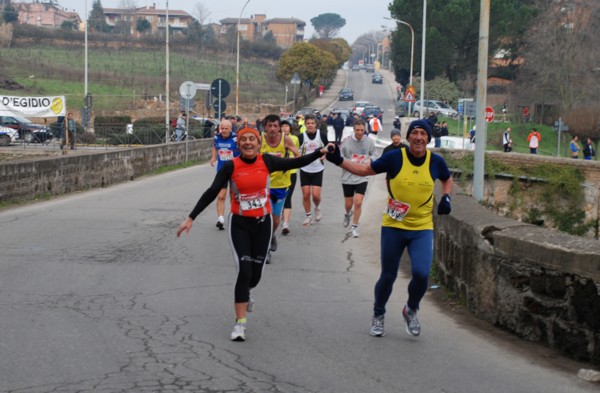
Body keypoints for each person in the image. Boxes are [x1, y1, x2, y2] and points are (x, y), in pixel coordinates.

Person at [177, 127, 332, 342]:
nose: (248, 142)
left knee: (255, 275)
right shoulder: (231, 166)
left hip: (263, 224)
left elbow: (294, 163)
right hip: (239, 225)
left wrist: (319, 152)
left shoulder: (267, 161)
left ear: (258, 143)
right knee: (244, 270)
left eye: (252, 139)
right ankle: (240, 323)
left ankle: (246, 293)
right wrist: (191, 217)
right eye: (243, 140)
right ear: (238, 145)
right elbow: (212, 192)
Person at [325, 119, 453, 338]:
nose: (419, 137)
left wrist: (447, 197)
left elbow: (447, 179)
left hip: (422, 226)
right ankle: (378, 314)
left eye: (424, 134)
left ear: (429, 139)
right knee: (388, 275)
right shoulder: (395, 157)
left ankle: (411, 309)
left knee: (422, 274)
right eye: (415, 133)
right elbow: (365, 170)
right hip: (394, 224)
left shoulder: (436, 161)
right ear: (409, 137)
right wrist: (339, 161)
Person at [259, 114, 300, 257]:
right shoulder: (260, 139)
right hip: (263, 186)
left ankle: (271, 235)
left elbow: (297, 155)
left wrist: (288, 164)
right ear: (265, 127)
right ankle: (265, 247)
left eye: (275, 126)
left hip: (281, 184)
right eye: (269, 126)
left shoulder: (285, 139)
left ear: (279, 128)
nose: (272, 129)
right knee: (266, 216)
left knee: (276, 220)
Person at [340, 119, 377, 238]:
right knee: (348, 203)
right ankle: (347, 214)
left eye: (362, 130)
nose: (360, 132)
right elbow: (339, 157)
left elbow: (375, 154)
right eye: (357, 130)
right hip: (348, 176)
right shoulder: (346, 142)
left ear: (365, 129)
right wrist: (349, 162)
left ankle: (354, 227)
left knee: (358, 202)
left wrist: (370, 160)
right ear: (353, 130)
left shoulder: (369, 142)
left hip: (362, 176)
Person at [298, 114, 329, 226]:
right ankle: (308, 216)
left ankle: (317, 207)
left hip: (317, 168)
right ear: (305, 125)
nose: (310, 125)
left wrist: (324, 155)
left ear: (316, 124)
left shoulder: (321, 135)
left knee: (315, 195)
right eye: (308, 123)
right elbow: (296, 151)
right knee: (306, 194)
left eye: (312, 123)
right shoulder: (301, 137)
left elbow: (328, 148)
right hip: (305, 169)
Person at [210, 119, 239, 230]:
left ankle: (234, 217)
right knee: (221, 195)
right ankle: (220, 219)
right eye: (222, 128)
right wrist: (213, 157)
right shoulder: (217, 137)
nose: (224, 130)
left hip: (235, 172)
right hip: (222, 171)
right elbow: (215, 146)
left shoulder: (236, 138)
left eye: (226, 128)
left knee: (233, 196)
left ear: (231, 129)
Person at [281, 120, 300, 235]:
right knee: (279, 197)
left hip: (291, 171)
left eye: (287, 126)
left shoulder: (295, 139)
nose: (284, 128)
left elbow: (297, 153)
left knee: (288, 197)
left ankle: (286, 224)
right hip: (278, 173)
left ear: (290, 128)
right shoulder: (276, 140)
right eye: (282, 126)